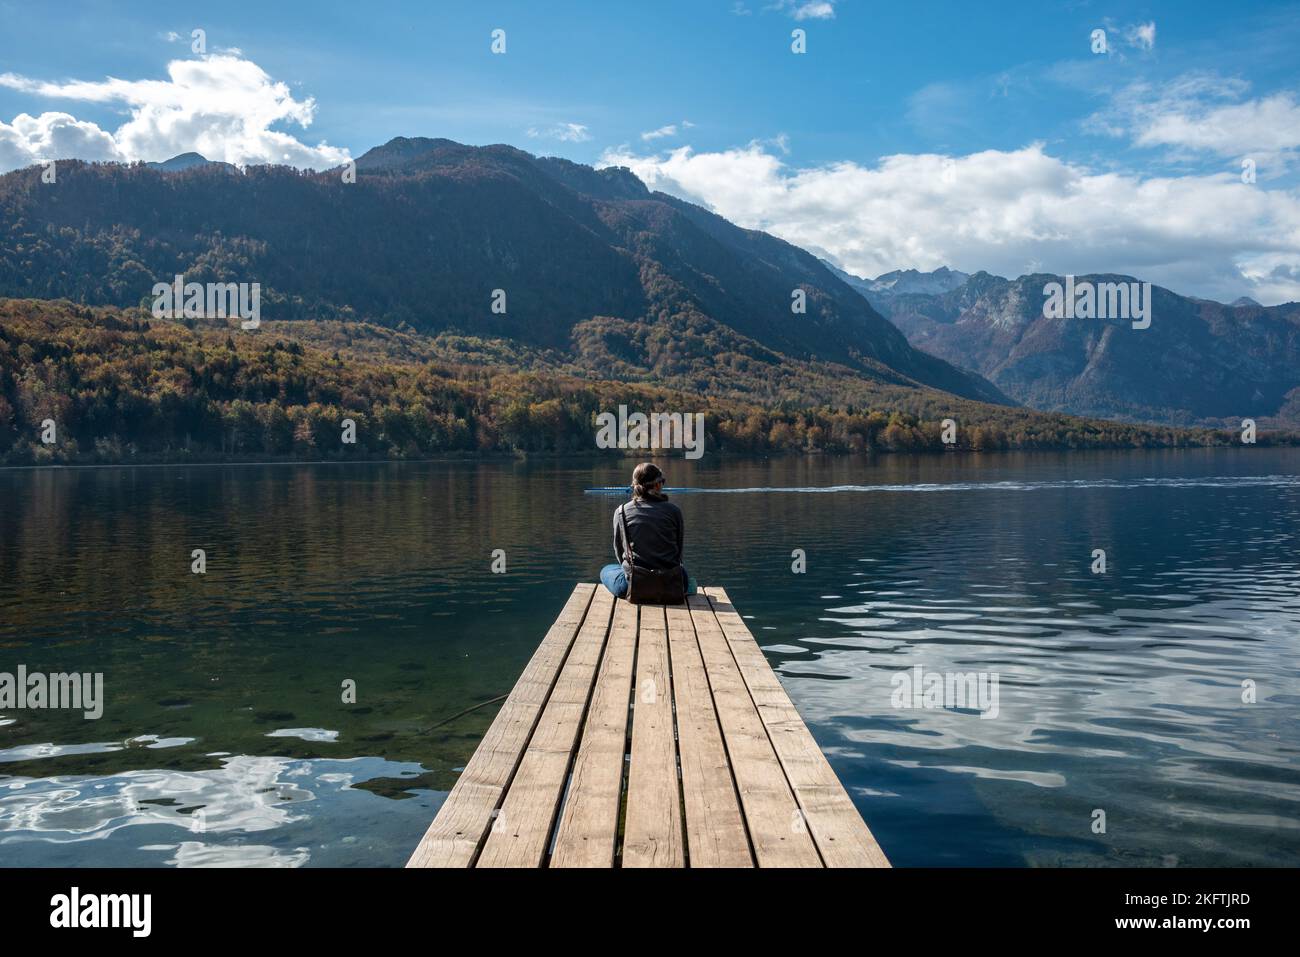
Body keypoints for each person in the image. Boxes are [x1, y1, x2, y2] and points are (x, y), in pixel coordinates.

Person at [599, 462, 697, 599]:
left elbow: (619, 551)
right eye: (662, 481)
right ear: (657, 485)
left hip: (635, 585)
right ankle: (686, 588)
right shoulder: (674, 511)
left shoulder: (621, 511)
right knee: (685, 576)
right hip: (671, 583)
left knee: (606, 570)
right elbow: (679, 552)